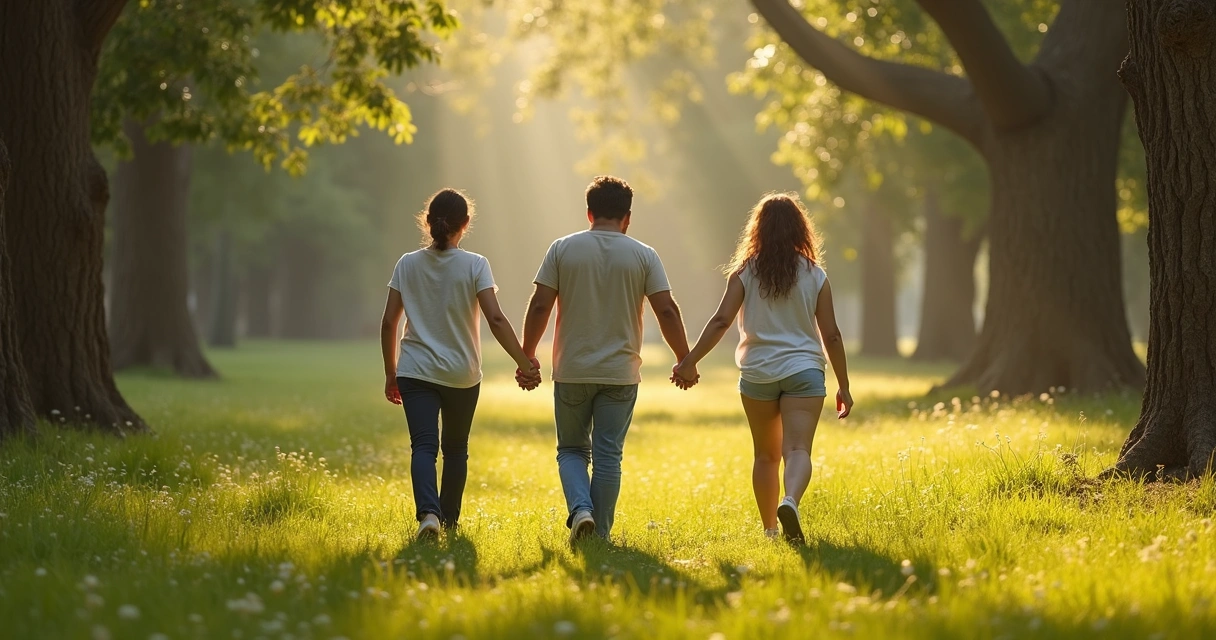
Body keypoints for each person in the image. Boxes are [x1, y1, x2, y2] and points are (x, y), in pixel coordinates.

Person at [519, 175, 695, 544]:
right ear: (627, 217)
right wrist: (685, 358)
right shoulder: (645, 255)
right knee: (608, 456)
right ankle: (599, 534)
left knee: (570, 449)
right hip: (620, 373)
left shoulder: (562, 249)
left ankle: (581, 509)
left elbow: (539, 305)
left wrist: (527, 355)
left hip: (572, 370)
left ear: (589, 213)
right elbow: (666, 310)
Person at [672, 192, 853, 544]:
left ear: (758, 230)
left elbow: (722, 320)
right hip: (804, 372)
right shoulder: (815, 275)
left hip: (757, 374)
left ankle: (770, 530)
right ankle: (790, 501)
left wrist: (689, 360)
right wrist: (843, 384)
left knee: (766, 456)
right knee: (797, 449)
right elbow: (831, 335)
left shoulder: (745, 274)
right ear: (801, 230)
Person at [380, 189, 540, 540]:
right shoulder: (475, 265)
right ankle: (448, 521)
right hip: (461, 374)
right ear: (465, 225)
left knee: (423, 446)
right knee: (455, 449)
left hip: (415, 371)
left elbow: (390, 322)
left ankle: (428, 516)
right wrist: (524, 361)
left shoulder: (407, 263)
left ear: (428, 221)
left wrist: (391, 372)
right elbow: (496, 319)